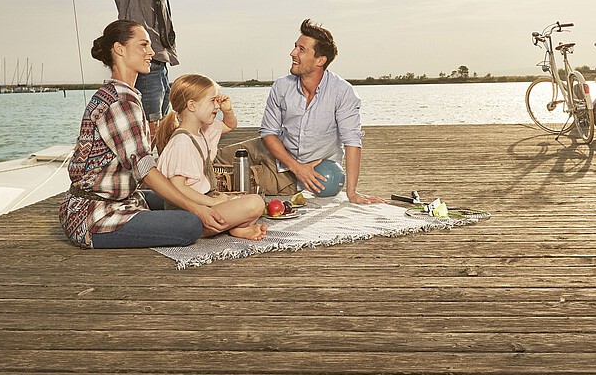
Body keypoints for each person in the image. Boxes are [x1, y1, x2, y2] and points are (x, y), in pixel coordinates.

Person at [59, 20, 230, 250]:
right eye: (143, 45)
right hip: (95, 216)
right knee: (189, 222)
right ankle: (226, 220)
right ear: (119, 49)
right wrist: (198, 208)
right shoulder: (120, 102)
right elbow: (145, 169)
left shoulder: (122, 95)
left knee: (179, 200)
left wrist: (198, 201)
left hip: (122, 199)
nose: (151, 52)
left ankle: (222, 218)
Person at [259, 18, 385, 204]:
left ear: (320, 60)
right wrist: (296, 167)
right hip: (281, 157)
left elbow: (352, 141)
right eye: (295, 47)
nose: (292, 53)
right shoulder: (281, 86)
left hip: (319, 172)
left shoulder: (342, 92)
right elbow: (268, 132)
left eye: (301, 49)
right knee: (218, 157)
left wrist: (352, 193)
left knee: (247, 181)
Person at [156, 74, 268, 240]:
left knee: (248, 199)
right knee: (255, 203)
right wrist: (213, 203)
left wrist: (227, 110)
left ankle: (236, 228)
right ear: (192, 106)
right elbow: (178, 187)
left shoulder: (203, 132)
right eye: (212, 101)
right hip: (187, 214)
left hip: (204, 202)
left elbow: (230, 125)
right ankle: (223, 227)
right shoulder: (182, 142)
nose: (217, 105)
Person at [104, 0, 190, 127]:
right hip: (140, 61)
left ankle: (156, 155)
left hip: (159, 58)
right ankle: (146, 157)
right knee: (148, 122)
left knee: (161, 117)